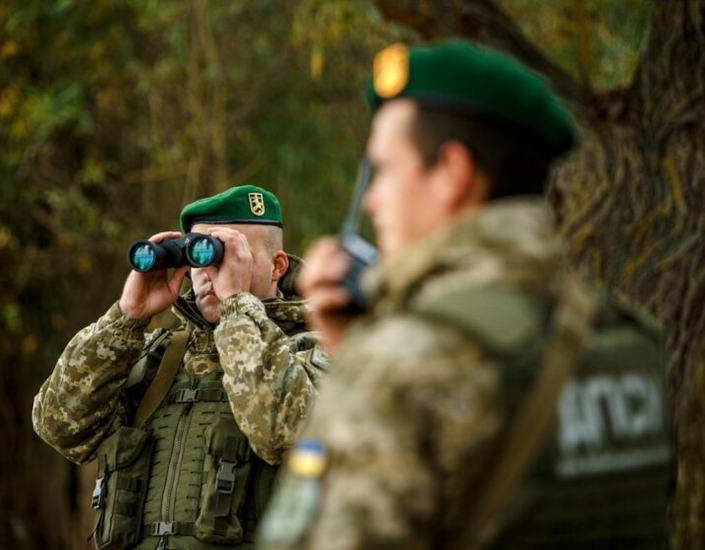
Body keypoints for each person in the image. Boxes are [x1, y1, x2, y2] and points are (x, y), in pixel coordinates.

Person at [259, 41, 673, 549]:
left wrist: (365, 373)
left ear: (452, 174)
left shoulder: (400, 366)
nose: (371, 200)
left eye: (384, 171)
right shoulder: (630, 342)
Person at [33, 184, 327, 550]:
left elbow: (281, 434)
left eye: (228, 255)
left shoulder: (316, 351)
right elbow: (60, 427)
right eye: (199, 257)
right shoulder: (159, 359)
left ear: (276, 266)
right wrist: (125, 320)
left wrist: (237, 305)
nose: (208, 272)